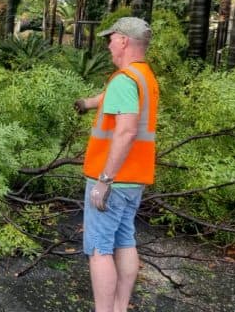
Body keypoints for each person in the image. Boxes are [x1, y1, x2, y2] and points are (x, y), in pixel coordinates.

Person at [73, 17, 159, 312]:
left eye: (111, 39)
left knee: (99, 249)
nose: (108, 44)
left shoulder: (124, 80)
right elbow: (110, 98)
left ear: (123, 41)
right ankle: (120, 308)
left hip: (112, 180)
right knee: (125, 241)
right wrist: (86, 103)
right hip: (135, 178)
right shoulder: (142, 77)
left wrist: (104, 180)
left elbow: (126, 131)